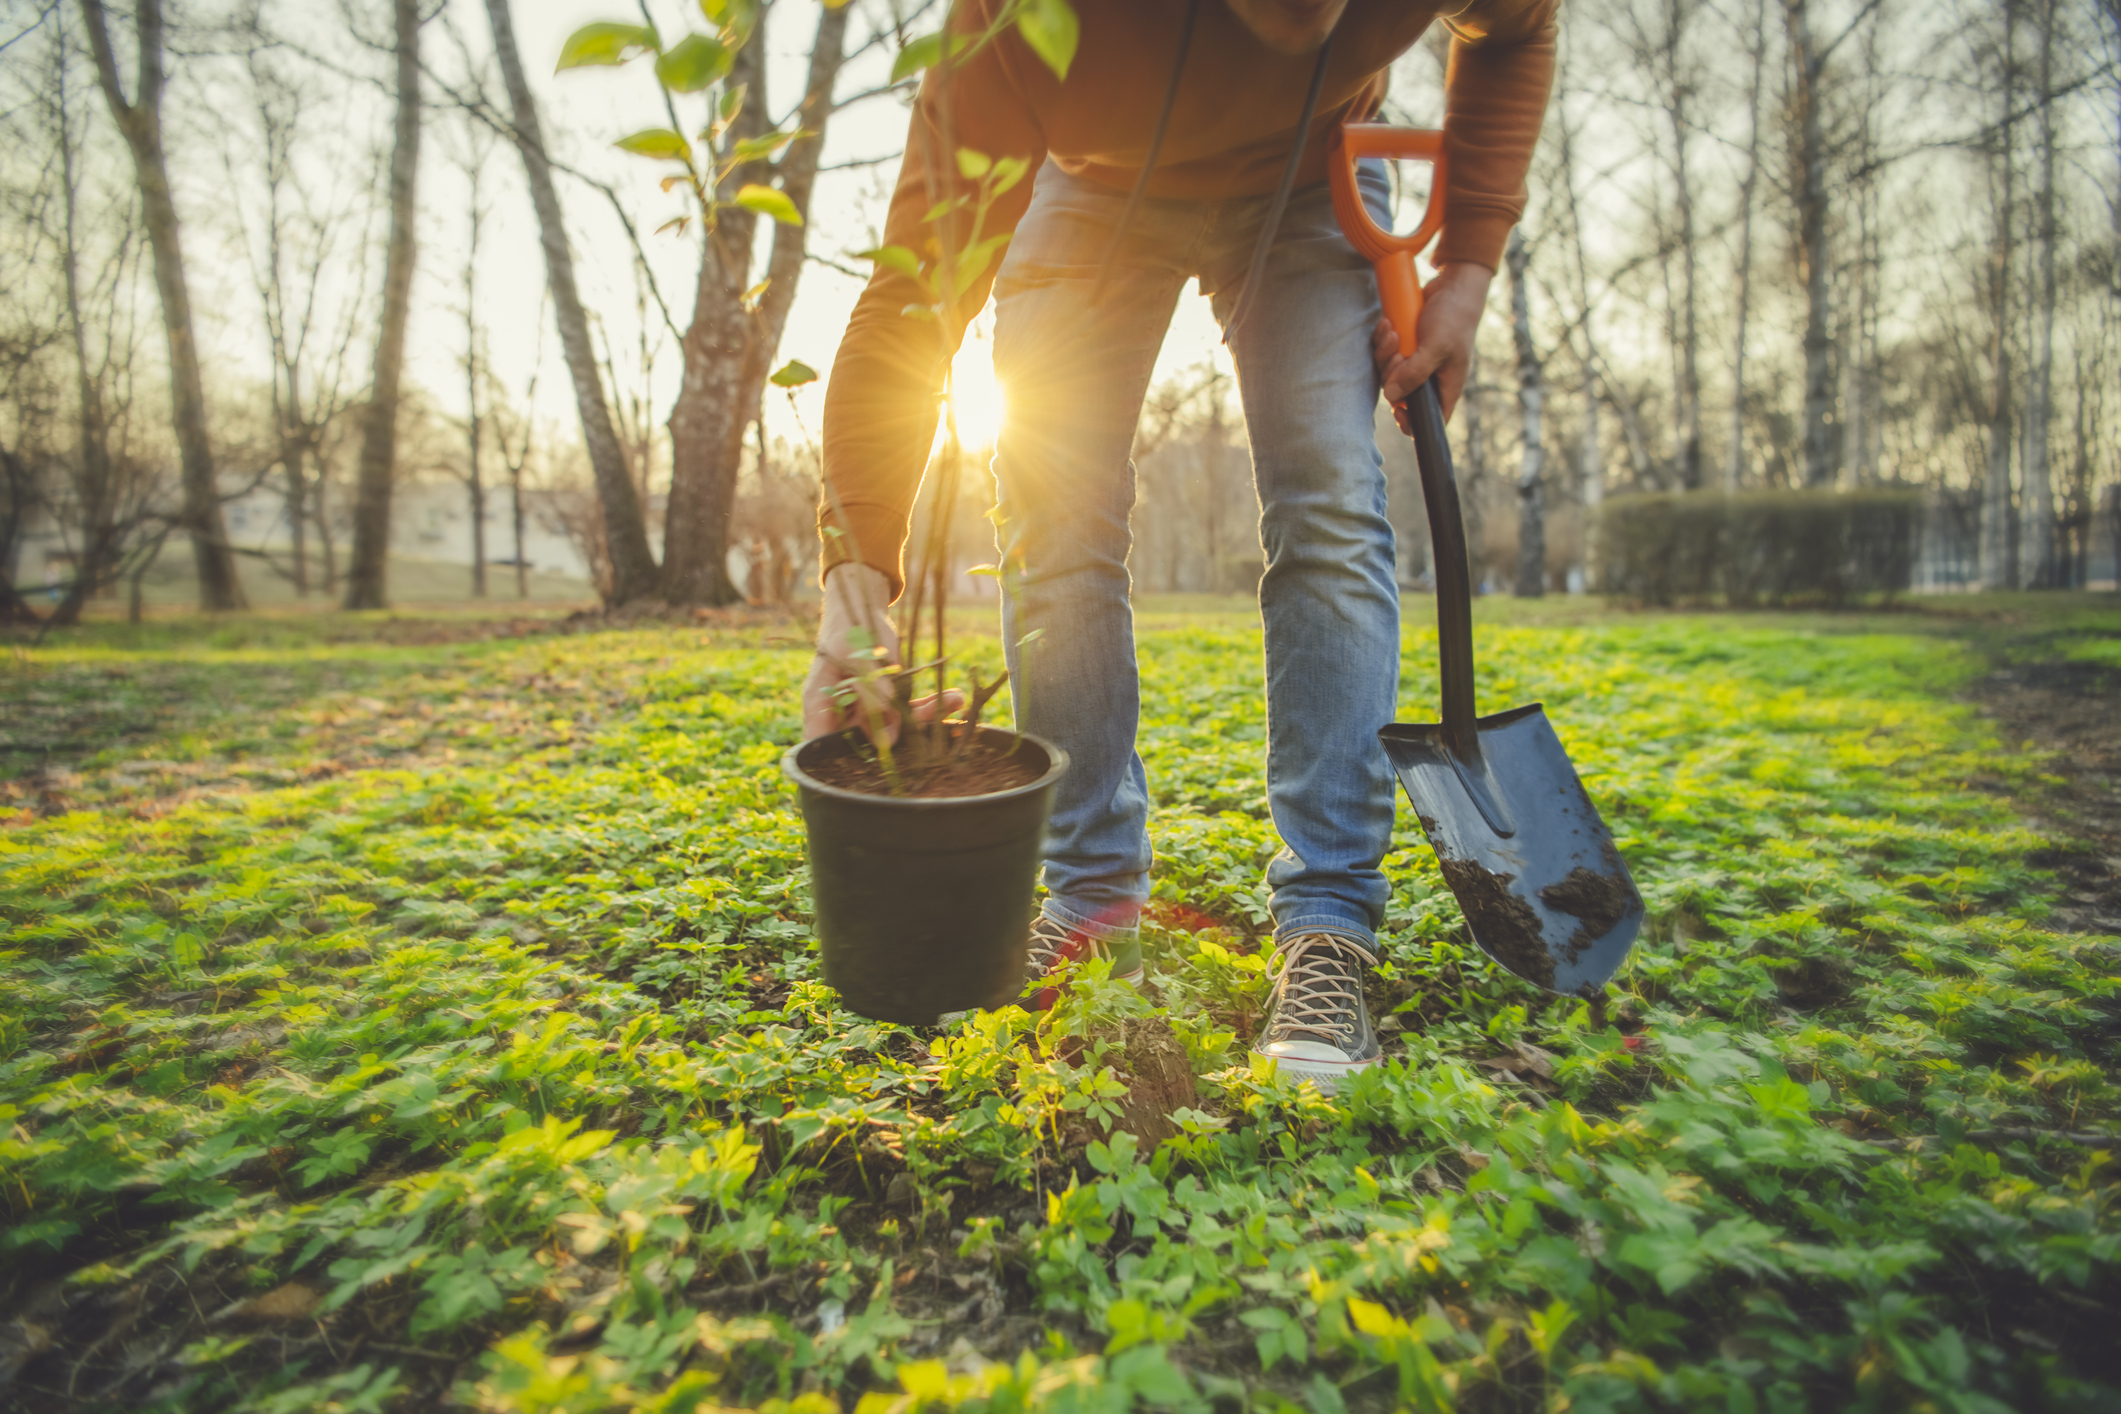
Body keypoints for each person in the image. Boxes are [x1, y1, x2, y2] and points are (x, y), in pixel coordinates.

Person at [802, 0, 1554, 1091]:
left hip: (1314, 179)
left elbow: (1517, 29)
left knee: (1331, 502)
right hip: (1087, 184)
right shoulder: (1021, 19)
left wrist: (1471, 268)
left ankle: (1330, 923)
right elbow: (916, 287)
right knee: (1053, 511)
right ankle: (1093, 897)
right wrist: (854, 584)